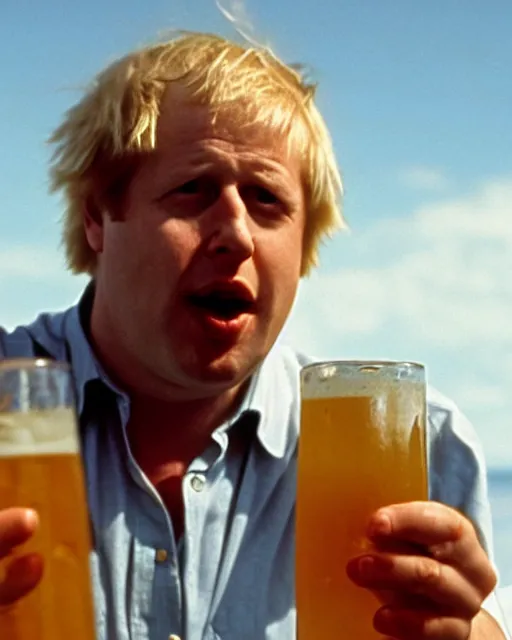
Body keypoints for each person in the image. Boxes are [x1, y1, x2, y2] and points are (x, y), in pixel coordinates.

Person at [0, 31, 508, 640]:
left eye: (267, 199)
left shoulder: (420, 440)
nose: (235, 234)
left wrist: (469, 630)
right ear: (96, 216)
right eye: (193, 189)